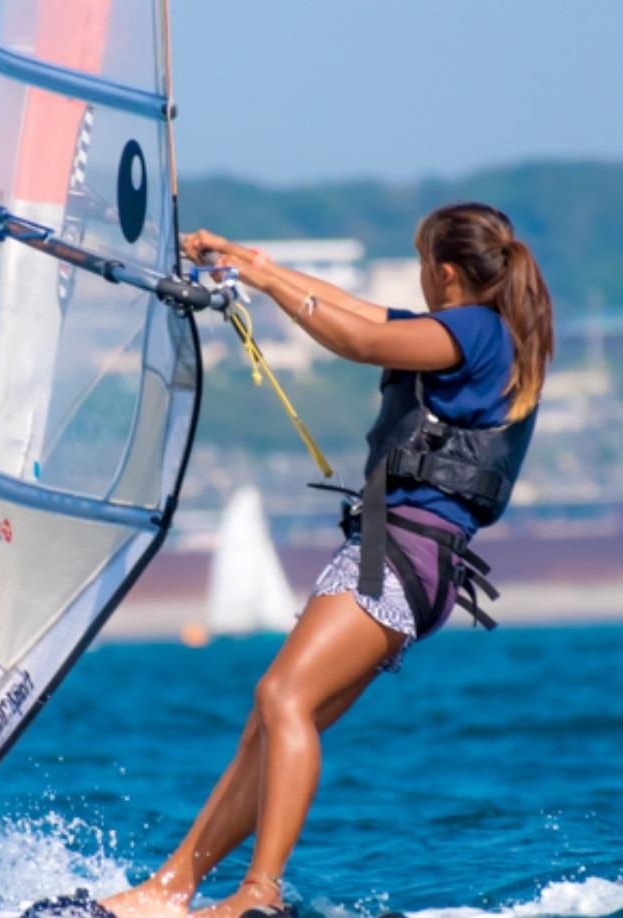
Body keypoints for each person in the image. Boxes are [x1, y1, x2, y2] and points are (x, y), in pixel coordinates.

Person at [100, 203, 554, 918]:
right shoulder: (484, 333)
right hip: (405, 557)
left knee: (282, 701)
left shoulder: (474, 330)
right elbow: (356, 309)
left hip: (401, 555)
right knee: (273, 720)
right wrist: (253, 265)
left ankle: (258, 893)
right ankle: (169, 890)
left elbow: (359, 337)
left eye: (419, 266)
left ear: (442, 271)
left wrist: (272, 289)